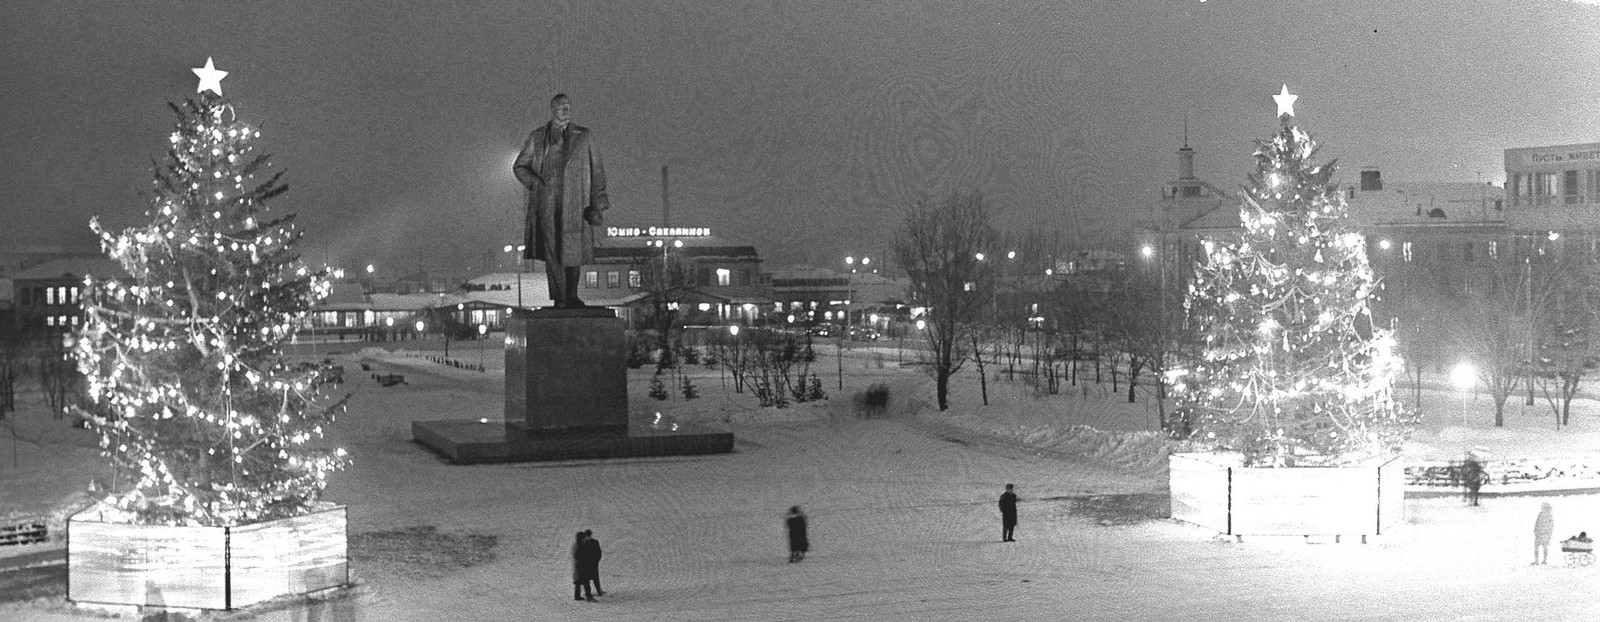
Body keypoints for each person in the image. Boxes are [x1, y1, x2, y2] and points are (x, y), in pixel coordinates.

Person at [513, 93, 610, 309]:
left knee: (573, 251)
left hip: (577, 204)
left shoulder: (584, 136)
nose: (566, 111)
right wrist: (536, 184)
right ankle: (560, 298)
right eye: (561, 107)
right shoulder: (538, 137)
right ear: (552, 109)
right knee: (553, 252)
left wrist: (599, 203)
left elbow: (597, 170)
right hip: (548, 205)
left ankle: (572, 296)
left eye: (568, 107)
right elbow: (520, 166)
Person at [571, 531, 594, 602]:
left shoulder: (575, 545)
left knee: (578, 582)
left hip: (577, 566)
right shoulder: (582, 545)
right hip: (582, 566)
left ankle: (577, 596)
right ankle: (589, 596)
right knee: (586, 582)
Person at [582, 529, 605, 597]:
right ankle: (598, 591)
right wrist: (597, 560)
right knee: (595, 578)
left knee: (589, 579)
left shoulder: (584, 543)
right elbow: (599, 552)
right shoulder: (594, 542)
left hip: (589, 564)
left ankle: (590, 592)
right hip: (592, 564)